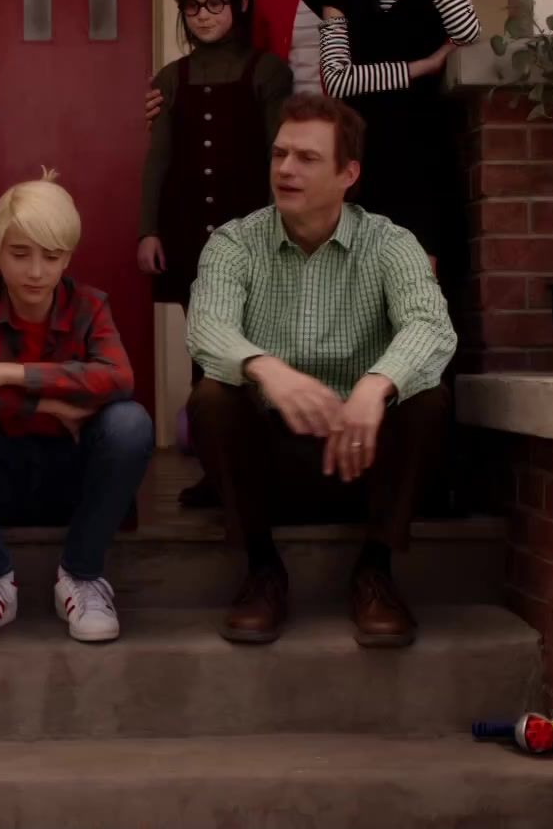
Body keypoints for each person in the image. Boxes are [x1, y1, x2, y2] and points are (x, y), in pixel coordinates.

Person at [185, 94, 456, 650]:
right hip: (270, 457)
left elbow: (431, 325)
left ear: (347, 174)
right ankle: (262, 570)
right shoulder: (235, 242)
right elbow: (206, 326)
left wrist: (376, 386)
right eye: (279, 154)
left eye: (307, 158)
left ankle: (376, 571)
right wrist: (267, 369)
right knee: (211, 396)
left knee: (429, 396)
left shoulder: (390, 242)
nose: (285, 169)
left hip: (363, 454)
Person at [0, 170, 153, 645]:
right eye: (20, 253)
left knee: (130, 423)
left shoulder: (90, 305)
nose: (35, 272)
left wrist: (7, 373)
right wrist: (50, 403)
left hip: (72, 474)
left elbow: (118, 379)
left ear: (67, 256)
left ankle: (82, 576)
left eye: (51, 256)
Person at [137, 0, 290, 510]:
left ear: (241, 3)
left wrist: (281, 229)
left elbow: (279, 153)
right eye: (192, 5)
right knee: (205, 350)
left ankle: (265, 467)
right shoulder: (171, 78)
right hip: (188, 233)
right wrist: (148, 230)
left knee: (256, 347)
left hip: (252, 233)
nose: (202, 15)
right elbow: (157, 159)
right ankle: (214, 472)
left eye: (214, 3)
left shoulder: (267, 71)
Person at [305, 0, 481, 301]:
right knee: (365, 287)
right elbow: (337, 79)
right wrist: (422, 66)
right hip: (362, 153)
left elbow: (467, 33)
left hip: (426, 152)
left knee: (420, 286)